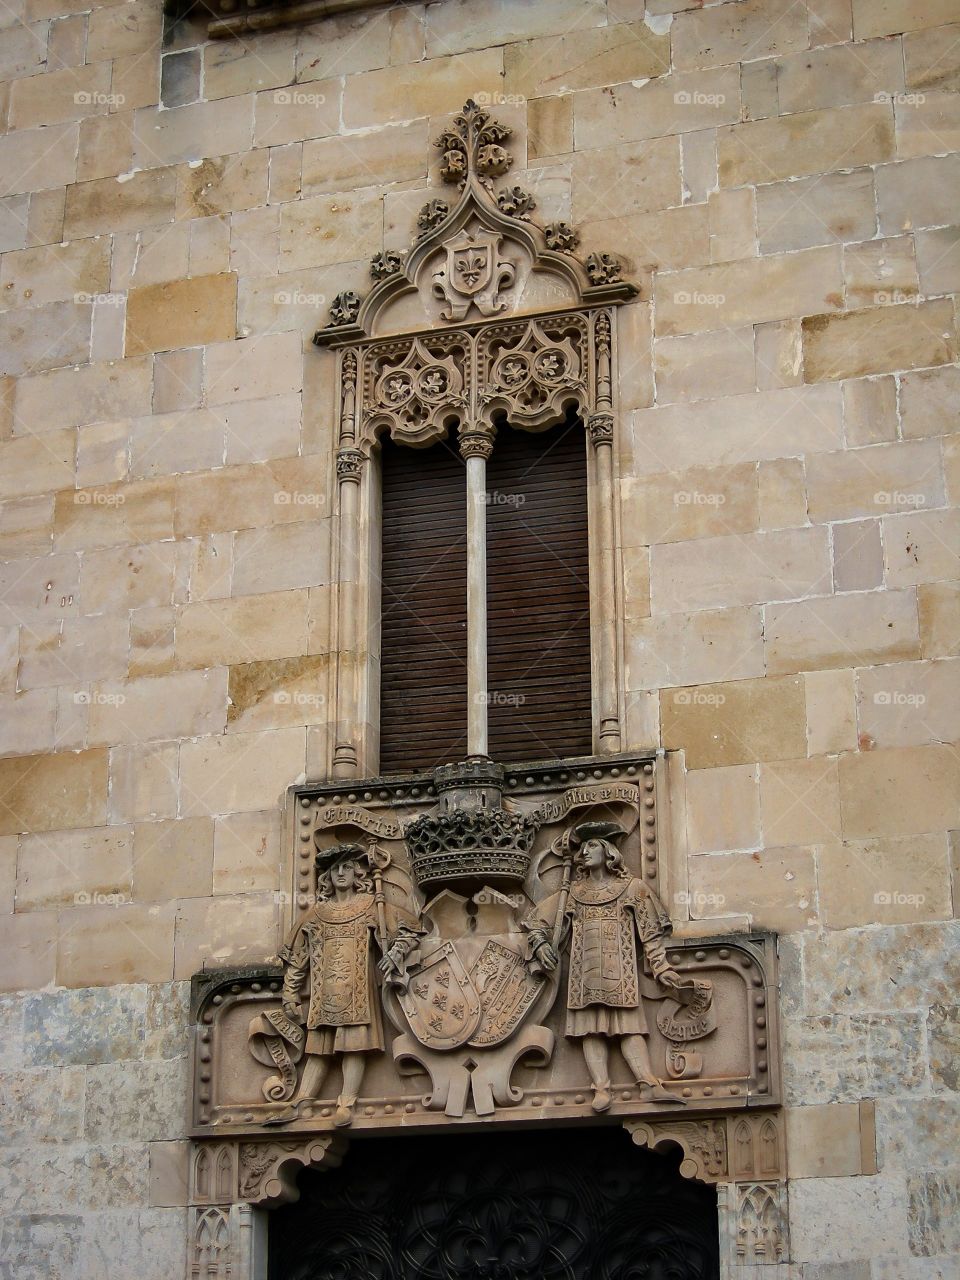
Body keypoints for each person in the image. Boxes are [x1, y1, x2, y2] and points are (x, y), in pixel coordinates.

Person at [524, 820, 684, 1112]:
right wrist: (541, 944)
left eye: (593, 845)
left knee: (629, 1028)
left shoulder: (633, 888)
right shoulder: (571, 893)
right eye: (583, 847)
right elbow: (536, 922)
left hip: (620, 972)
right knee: (590, 1030)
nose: (585, 851)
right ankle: (601, 1087)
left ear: (609, 852)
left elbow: (649, 934)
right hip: (584, 975)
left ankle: (647, 1083)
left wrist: (662, 968)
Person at [268, 842, 421, 1127]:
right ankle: (302, 1101)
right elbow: (298, 957)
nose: (340, 873)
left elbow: (410, 931)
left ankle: (346, 1103)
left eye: (347, 867)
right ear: (326, 877)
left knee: (353, 1046)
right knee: (318, 1048)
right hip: (323, 995)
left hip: (358, 991)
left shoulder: (371, 906)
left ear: (357, 874)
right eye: (334, 868)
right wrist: (290, 993)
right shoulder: (317, 913)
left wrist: (395, 953)